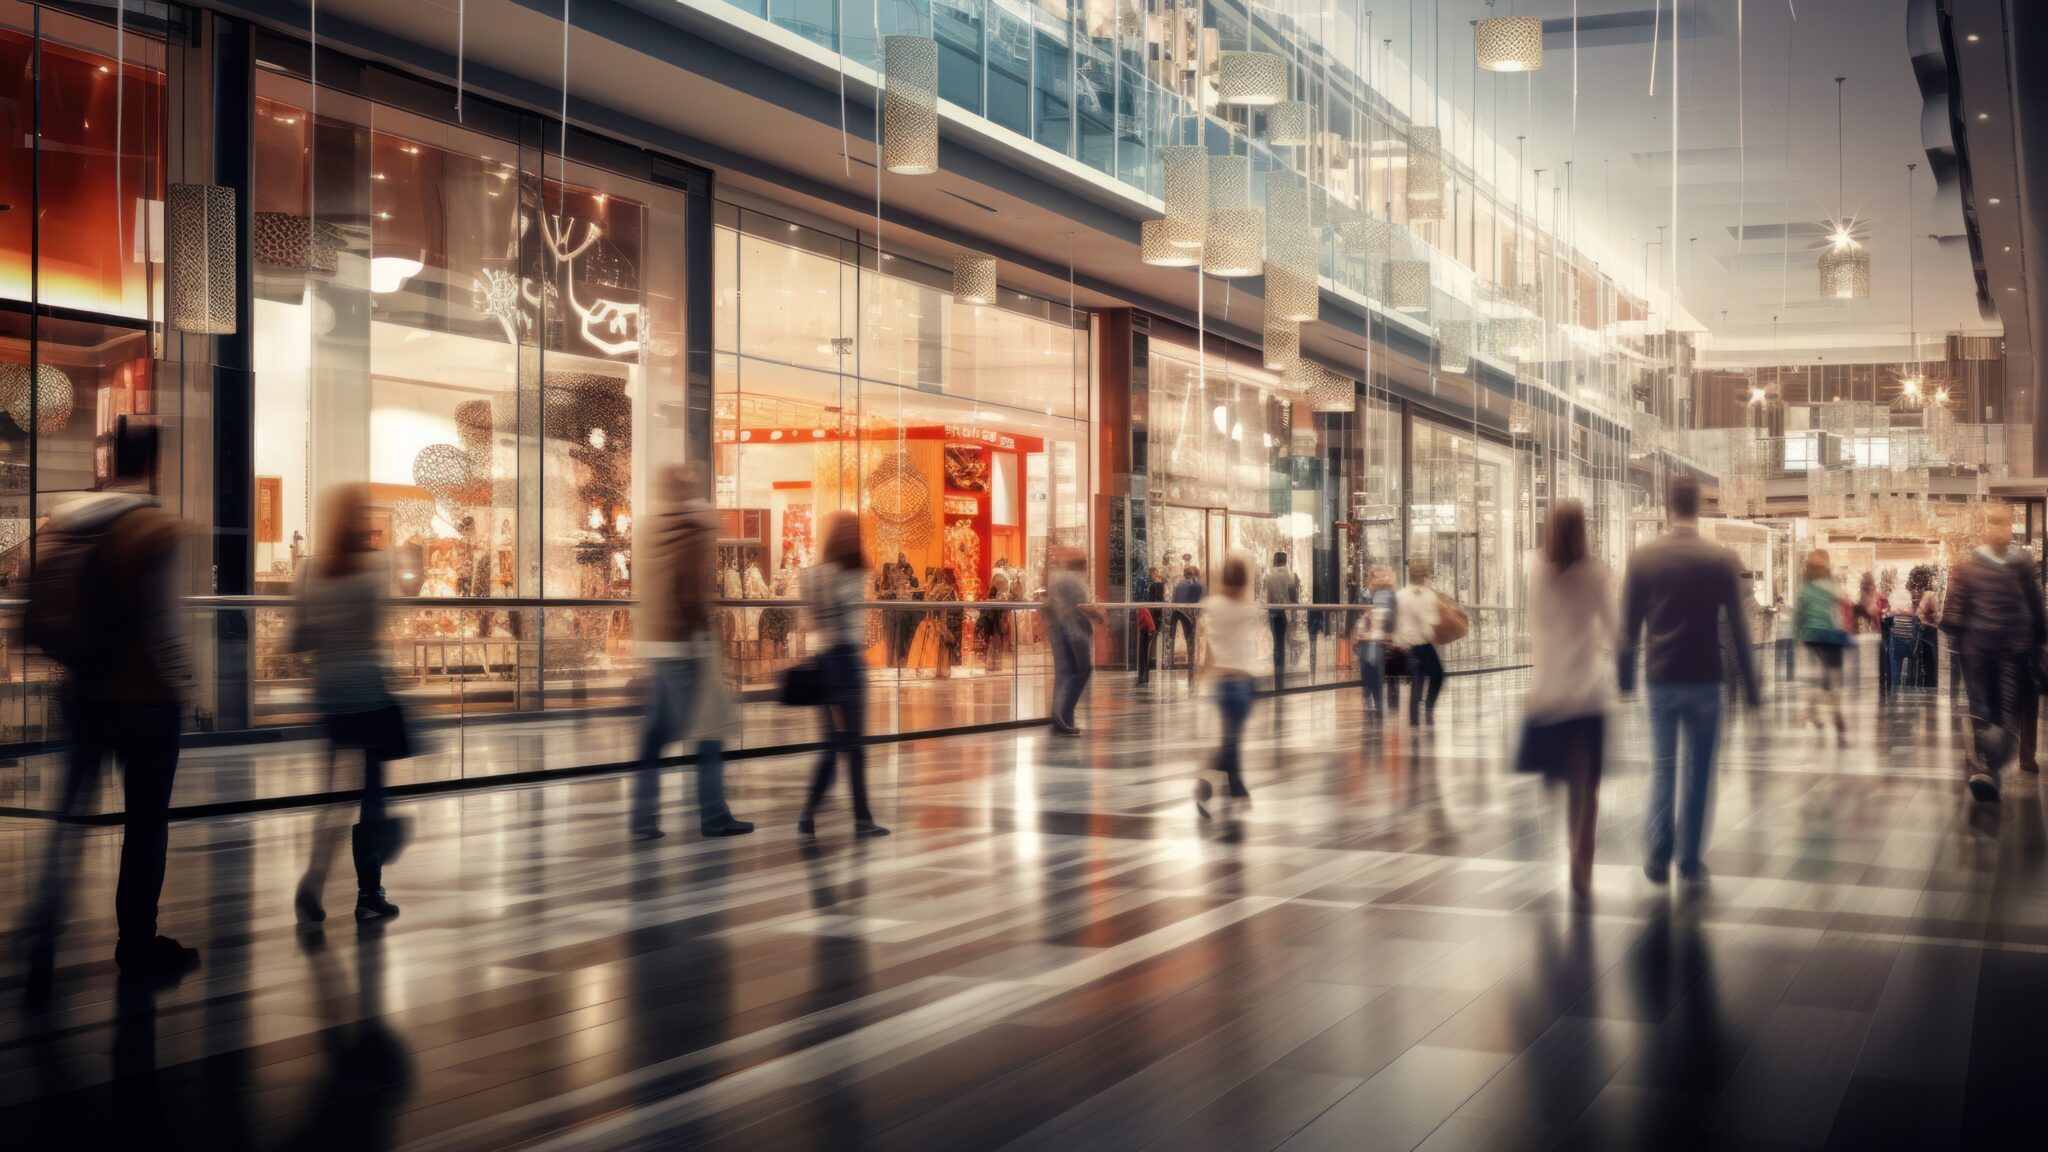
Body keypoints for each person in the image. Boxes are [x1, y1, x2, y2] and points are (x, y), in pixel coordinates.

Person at [25, 419, 196, 980]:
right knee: (145, 823)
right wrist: (186, 684)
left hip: (83, 690)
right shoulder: (155, 528)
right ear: (156, 463)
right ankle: (137, 940)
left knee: (69, 815)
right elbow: (166, 624)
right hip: (145, 699)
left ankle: (42, 924)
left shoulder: (70, 520)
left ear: (110, 459)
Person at [1619, 476, 1759, 887]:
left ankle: (1657, 855)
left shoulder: (1643, 558)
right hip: (1705, 677)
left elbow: (1627, 625)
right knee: (1699, 771)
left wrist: (1625, 680)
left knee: (1664, 767)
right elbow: (1737, 626)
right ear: (1699, 508)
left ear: (1667, 506)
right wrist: (1751, 687)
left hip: (1660, 676)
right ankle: (1689, 860)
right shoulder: (1718, 560)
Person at [291, 484, 410, 923]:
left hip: (329, 692)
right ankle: (369, 893)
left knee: (336, 794)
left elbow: (297, 636)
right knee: (371, 798)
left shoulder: (309, 569)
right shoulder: (374, 568)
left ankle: (314, 879)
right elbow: (383, 623)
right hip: (368, 690)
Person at [631, 463, 752, 841]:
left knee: (656, 736)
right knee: (708, 732)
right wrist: (710, 641)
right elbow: (692, 593)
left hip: (654, 643)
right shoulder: (692, 530)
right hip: (684, 645)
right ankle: (714, 815)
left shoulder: (649, 527)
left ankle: (642, 816)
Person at [1522, 501, 1616, 898]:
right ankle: (1582, 862)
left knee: (1568, 785)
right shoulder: (1595, 573)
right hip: (1588, 693)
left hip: (1549, 693)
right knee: (1587, 786)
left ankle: (1571, 853)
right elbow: (1615, 630)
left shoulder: (1537, 573)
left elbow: (1534, 628)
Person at [1940, 518, 2045, 802]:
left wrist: (1959, 641)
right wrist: (2040, 639)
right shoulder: (2021, 566)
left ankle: (1984, 768)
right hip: (2011, 649)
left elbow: (1952, 615)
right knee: (2005, 713)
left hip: (1980, 651)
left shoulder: (1968, 568)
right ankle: (1989, 768)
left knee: (1984, 709)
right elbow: (2036, 608)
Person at [800, 512, 889, 838]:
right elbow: (847, 616)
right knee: (851, 744)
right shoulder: (852, 574)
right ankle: (859, 819)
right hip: (845, 662)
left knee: (836, 744)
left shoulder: (814, 575)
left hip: (824, 660)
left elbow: (812, 618)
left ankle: (810, 813)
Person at [1193, 553, 1261, 819]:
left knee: (1230, 738)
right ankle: (1208, 784)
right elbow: (1251, 603)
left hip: (1219, 680)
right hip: (1242, 680)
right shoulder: (1247, 609)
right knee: (1232, 740)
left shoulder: (1212, 604)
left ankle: (1236, 787)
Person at [1796, 549, 1850, 746]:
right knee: (1832, 675)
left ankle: (1813, 712)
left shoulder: (1805, 589)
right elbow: (1840, 610)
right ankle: (1835, 712)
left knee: (1818, 677)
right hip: (1832, 636)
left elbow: (1799, 615)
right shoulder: (1833, 586)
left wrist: (1797, 636)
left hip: (1812, 637)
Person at [1046, 552, 1103, 734]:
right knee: (1082, 671)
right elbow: (1083, 606)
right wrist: (1098, 616)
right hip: (1074, 632)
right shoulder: (1075, 581)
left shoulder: (1058, 579)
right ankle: (1064, 714)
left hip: (1059, 630)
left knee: (1065, 672)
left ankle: (1061, 716)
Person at [1394, 560, 1446, 725]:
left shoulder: (1400, 595)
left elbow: (1396, 620)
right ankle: (1429, 706)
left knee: (1417, 678)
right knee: (1437, 673)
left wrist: (1398, 640)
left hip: (1406, 643)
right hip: (1423, 642)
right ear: (1424, 576)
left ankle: (1414, 715)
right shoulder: (1428, 595)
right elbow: (1432, 620)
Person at [1353, 564, 1399, 719]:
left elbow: (1390, 618)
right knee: (1370, 665)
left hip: (1379, 638)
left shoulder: (1385, 596)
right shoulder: (1373, 595)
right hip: (1373, 637)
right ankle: (1374, 697)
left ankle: (1376, 699)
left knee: (1372, 666)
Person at [1264, 551, 1302, 690]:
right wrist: (1294, 613)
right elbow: (1293, 596)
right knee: (1282, 639)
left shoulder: (1270, 576)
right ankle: (1281, 664)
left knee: (1277, 640)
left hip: (1273, 610)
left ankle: (1278, 664)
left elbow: (1268, 596)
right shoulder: (1289, 576)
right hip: (1284, 611)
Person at [1170, 563, 1205, 686]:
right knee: (1191, 641)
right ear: (1195, 575)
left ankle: (1170, 663)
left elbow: (1173, 599)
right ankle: (1192, 666)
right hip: (1188, 615)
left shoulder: (1178, 584)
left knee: (1173, 639)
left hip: (1176, 612)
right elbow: (1197, 602)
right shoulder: (1196, 585)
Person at [1137, 565, 1166, 686]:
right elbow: (1157, 600)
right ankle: (1144, 673)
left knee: (1146, 644)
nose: (1154, 574)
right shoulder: (1154, 585)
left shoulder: (1151, 585)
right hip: (1152, 615)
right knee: (1147, 643)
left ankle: (1144, 674)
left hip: (1150, 614)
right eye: (1153, 572)